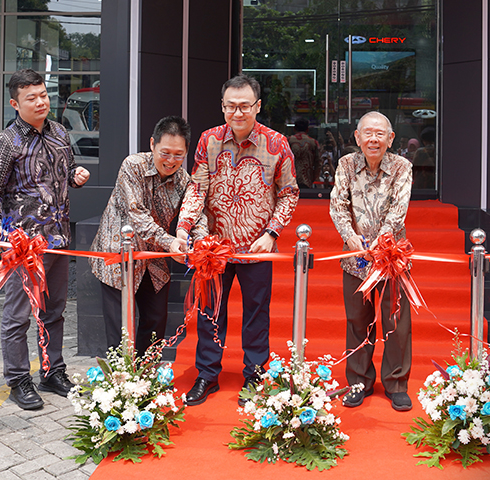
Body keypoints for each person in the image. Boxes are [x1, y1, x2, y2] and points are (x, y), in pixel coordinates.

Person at [175, 74, 299, 406]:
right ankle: (207, 374)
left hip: (258, 248)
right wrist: (184, 230)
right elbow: (197, 189)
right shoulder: (208, 140)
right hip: (214, 249)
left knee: (257, 313)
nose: (237, 112)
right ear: (223, 106)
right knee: (209, 311)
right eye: (231, 106)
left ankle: (255, 375)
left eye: (245, 106)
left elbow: (289, 194)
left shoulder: (276, 143)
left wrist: (272, 233)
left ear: (257, 107)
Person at [0, 69, 91, 410]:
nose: (41, 102)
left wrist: (76, 176)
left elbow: (65, 173)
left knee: (54, 310)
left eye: (43, 95)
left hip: (58, 239)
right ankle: (17, 378)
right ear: (16, 103)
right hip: (24, 246)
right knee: (19, 315)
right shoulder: (7, 141)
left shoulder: (59, 132)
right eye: (32, 97)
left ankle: (52, 370)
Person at [89, 116, 207, 354]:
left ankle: (146, 378)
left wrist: (200, 241)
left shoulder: (183, 179)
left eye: (178, 154)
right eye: (165, 152)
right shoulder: (132, 165)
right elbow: (137, 215)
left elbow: (196, 212)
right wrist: (171, 241)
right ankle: (121, 383)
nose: (171, 161)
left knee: (155, 321)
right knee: (120, 327)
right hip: (118, 256)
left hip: (154, 260)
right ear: (152, 144)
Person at [329, 111, 414, 412]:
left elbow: (398, 209)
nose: (373, 139)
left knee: (397, 322)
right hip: (356, 259)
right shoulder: (346, 165)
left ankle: (397, 383)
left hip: (392, 258)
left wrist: (382, 241)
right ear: (357, 137)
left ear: (391, 139)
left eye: (380, 134)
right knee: (357, 322)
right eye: (368, 133)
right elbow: (337, 204)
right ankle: (359, 382)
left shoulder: (402, 167)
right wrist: (350, 237)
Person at [288, 117, 320, 189]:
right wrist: (313, 177)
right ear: (307, 129)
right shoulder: (313, 142)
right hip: (307, 179)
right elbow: (318, 163)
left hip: (290, 179)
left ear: (294, 129)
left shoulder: (288, 141)